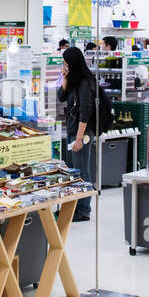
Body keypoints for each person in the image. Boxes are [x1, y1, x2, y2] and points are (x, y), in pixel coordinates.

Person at [56, 47, 96, 222]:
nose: (64, 66)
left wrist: (79, 138)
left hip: (82, 133)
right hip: (73, 131)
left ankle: (84, 209)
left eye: (66, 63)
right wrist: (65, 79)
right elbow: (61, 97)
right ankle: (74, 207)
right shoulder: (74, 80)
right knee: (74, 170)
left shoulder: (85, 83)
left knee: (82, 171)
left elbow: (85, 112)